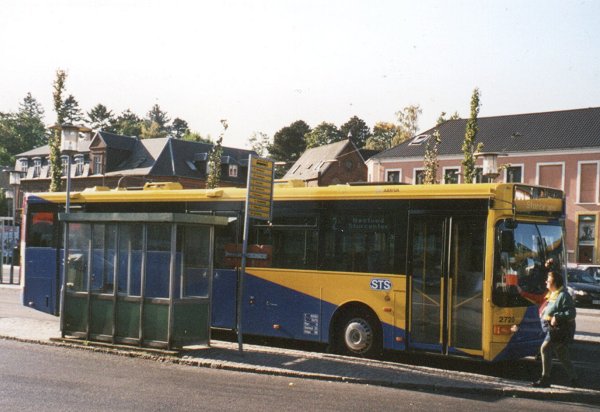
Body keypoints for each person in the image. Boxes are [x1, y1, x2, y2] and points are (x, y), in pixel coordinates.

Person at [531, 270, 578, 388]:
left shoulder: (563, 295)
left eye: (548, 279)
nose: (546, 281)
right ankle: (574, 379)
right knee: (562, 354)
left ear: (555, 282)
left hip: (558, 329)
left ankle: (545, 379)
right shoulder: (552, 294)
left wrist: (557, 316)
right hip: (552, 328)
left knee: (545, 348)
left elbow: (571, 313)